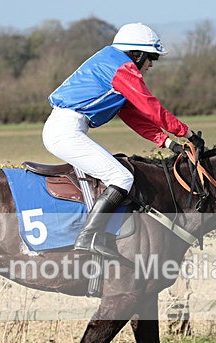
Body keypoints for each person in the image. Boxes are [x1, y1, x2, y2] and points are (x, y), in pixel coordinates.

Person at [43, 22, 205, 261]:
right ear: (137, 54)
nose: (150, 65)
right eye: (151, 59)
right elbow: (151, 107)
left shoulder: (112, 64)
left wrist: (168, 143)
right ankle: (87, 238)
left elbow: (133, 115)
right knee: (122, 177)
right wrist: (187, 133)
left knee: (117, 173)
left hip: (67, 128)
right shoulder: (122, 68)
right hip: (65, 130)